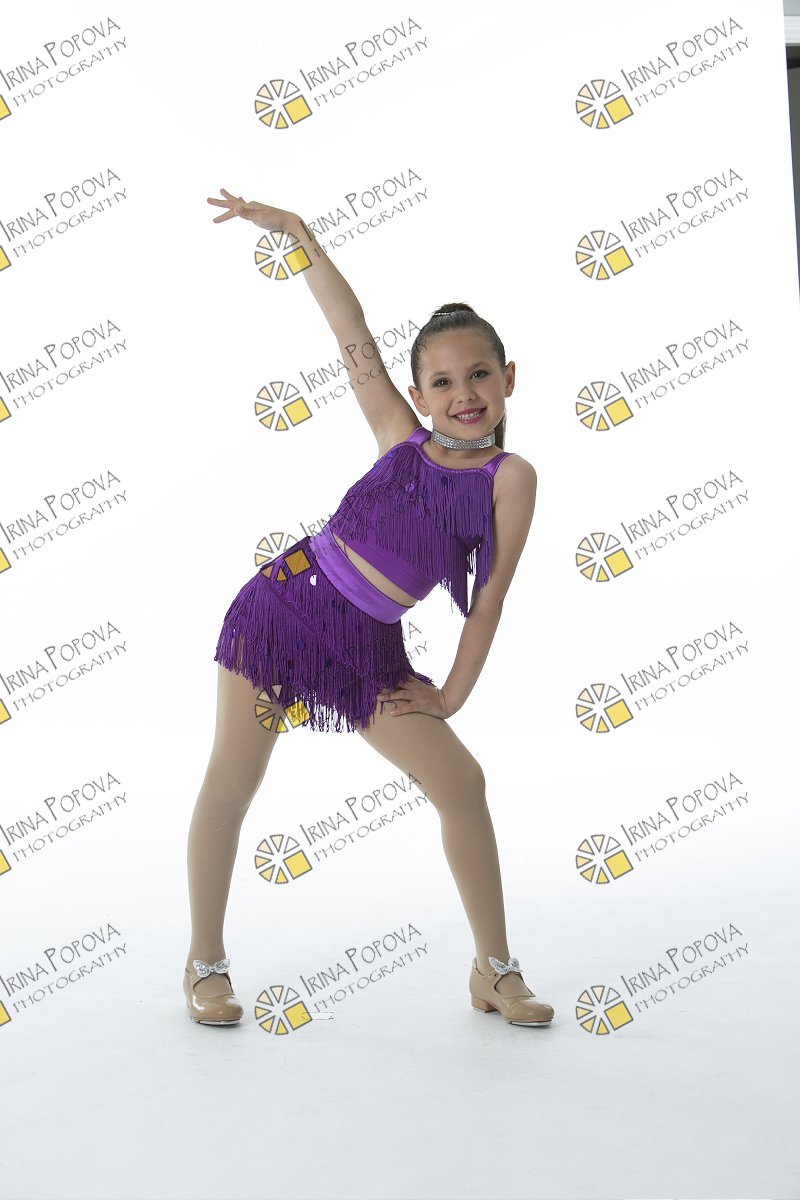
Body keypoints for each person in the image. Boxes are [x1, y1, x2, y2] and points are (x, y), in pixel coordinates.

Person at [182, 188, 554, 1030]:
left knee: (461, 780)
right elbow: (348, 330)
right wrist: (298, 234)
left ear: (508, 379)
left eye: (479, 375)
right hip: (281, 612)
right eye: (443, 381)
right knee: (233, 780)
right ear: (419, 395)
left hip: (367, 647)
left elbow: (489, 601)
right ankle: (204, 963)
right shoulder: (397, 432)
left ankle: (494, 970)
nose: (464, 393)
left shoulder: (511, 479)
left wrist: (451, 695)